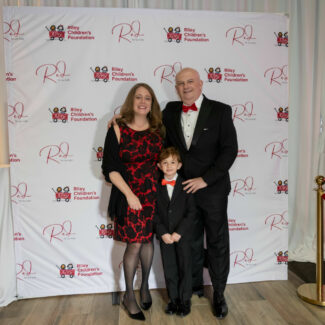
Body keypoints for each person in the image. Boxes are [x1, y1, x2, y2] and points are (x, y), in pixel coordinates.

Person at [162, 67, 238, 319]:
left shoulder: (220, 110)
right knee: (188, 241)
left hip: (212, 190)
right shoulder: (170, 111)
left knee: (217, 242)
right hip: (183, 192)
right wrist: (119, 119)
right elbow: (147, 124)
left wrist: (205, 180)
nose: (186, 87)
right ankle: (191, 288)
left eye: (190, 81)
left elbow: (229, 150)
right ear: (176, 88)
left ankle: (218, 293)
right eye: (180, 83)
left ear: (201, 84)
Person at [102, 83, 164, 321]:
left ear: (152, 103)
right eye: (138, 97)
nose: (143, 101)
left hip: (154, 194)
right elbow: (109, 168)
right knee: (135, 245)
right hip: (130, 195)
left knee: (148, 241)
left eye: (147, 98)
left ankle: (145, 285)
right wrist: (129, 195)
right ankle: (129, 295)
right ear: (131, 100)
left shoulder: (159, 128)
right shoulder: (117, 128)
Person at [154, 147, 196, 317]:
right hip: (166, 237)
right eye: (165, 163)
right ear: (159, 166)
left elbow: (192, 212)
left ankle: (185, 300)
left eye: (172, 162)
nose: (169, 166)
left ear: (179, 165)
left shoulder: (186, 185)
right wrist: (163, 232)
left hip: (183, 236)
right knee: (169, 267)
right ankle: (174, 299)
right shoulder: (156, 187)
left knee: (185, 267)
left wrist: (179, 232)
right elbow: (154, 213)